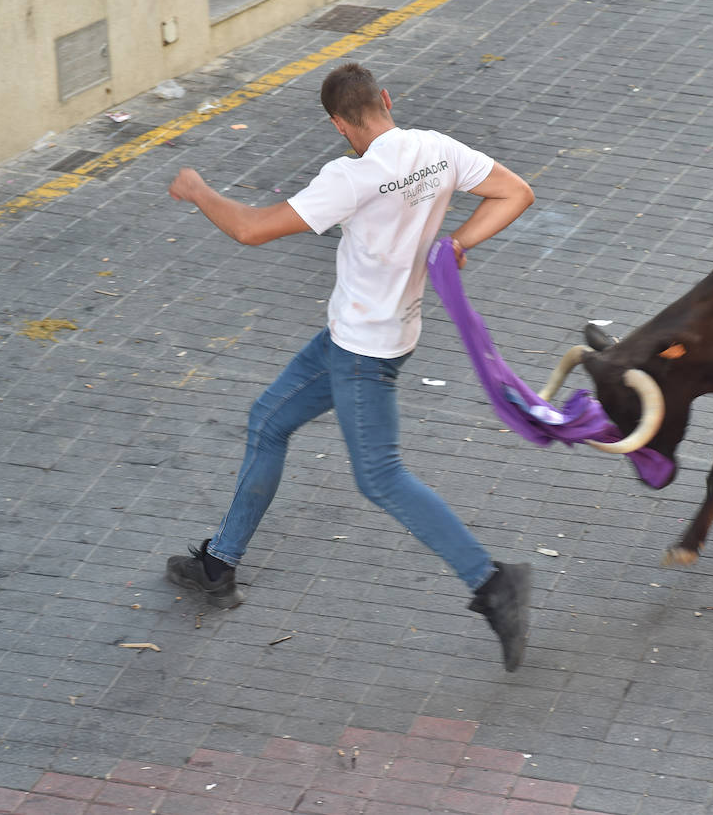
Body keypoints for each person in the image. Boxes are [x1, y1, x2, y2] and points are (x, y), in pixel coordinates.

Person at [164, 62, 537, 671]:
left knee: (381, 477)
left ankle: (493, 582)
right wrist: (459, 244)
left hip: (365, 352)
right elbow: (515, 191)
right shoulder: (437, 150)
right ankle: (218, 564)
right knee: (269, 421)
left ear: (338, 123)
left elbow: (252, 229)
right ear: (387, 99)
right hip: (363, 337)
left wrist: (197, 189)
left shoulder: (350, 177)